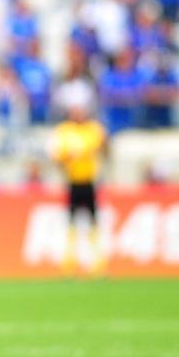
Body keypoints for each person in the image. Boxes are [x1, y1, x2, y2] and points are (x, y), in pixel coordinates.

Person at [50, 99, 107, 274]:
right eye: (75, 111)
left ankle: (98, 264)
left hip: (89, 181)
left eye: (81, 111)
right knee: (72, 223)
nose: (78, 114)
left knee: (94, 222)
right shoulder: (64, 131)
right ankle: (69, 263)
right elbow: (57, 157)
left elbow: (104, 148)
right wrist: (71, 158)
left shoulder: (94, 129)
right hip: (73, 181)